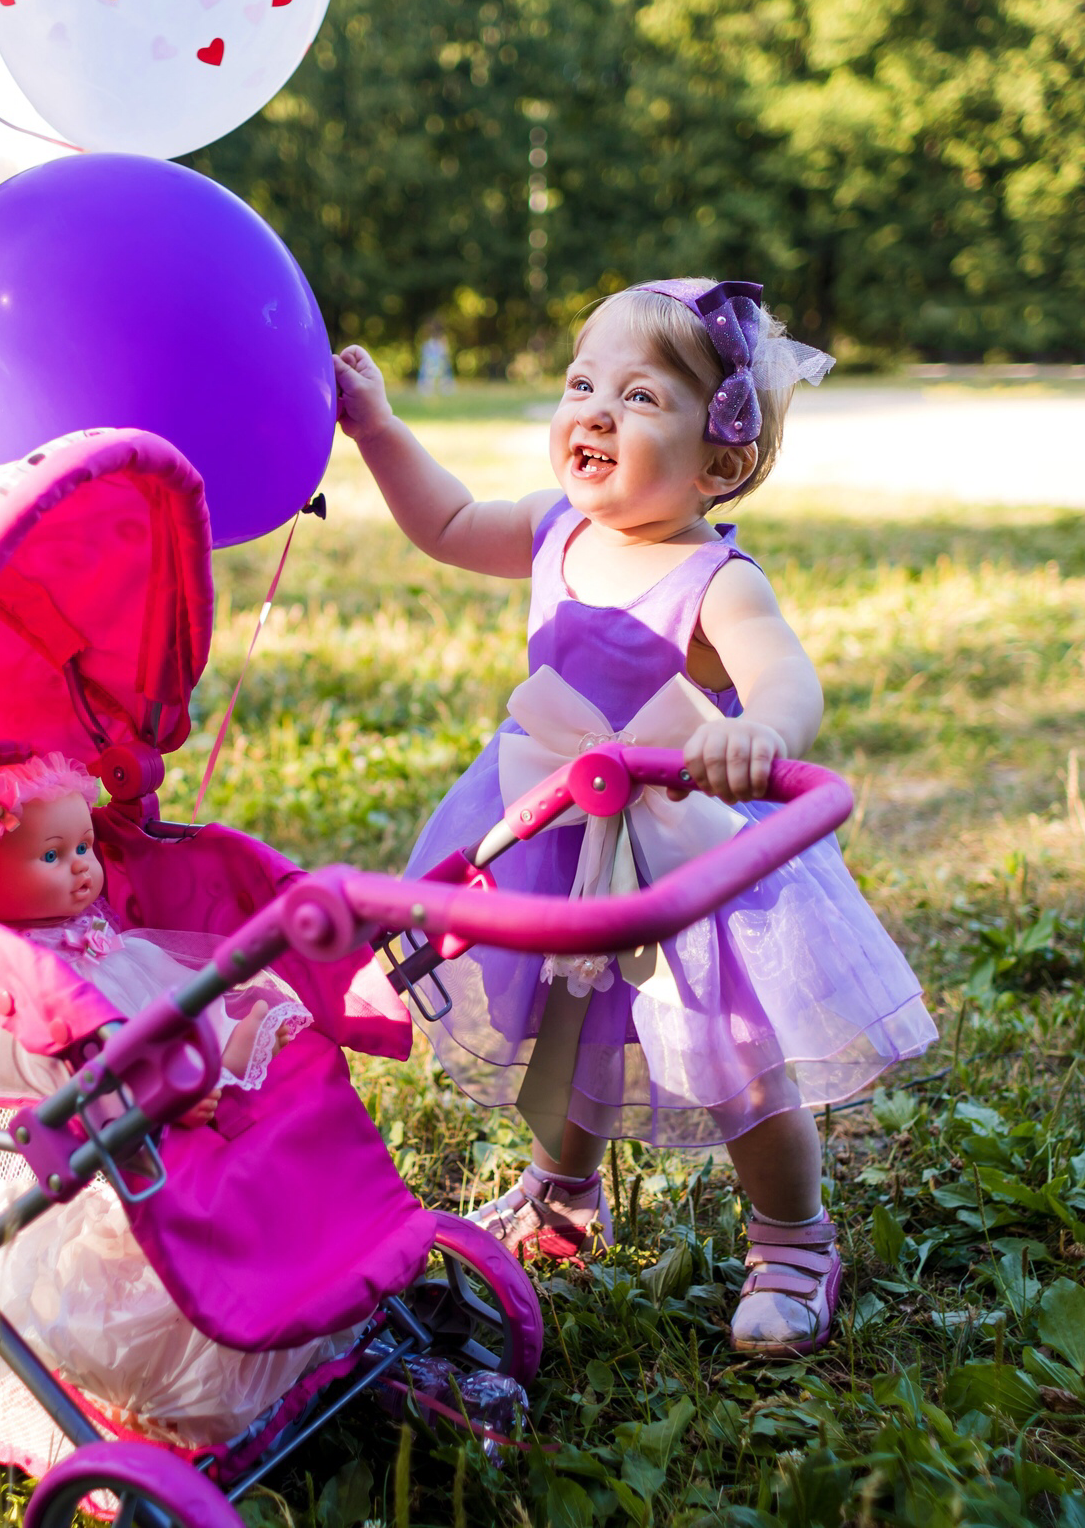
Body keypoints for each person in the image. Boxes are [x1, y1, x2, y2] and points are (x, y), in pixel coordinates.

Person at [332, 280, 936, 1358]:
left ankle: (792, 1238)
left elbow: (785, 676)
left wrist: (760, 733)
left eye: (641, 397)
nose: (596, 413)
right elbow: (447, 522)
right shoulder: (551, 527)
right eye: (582, 385)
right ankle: (562, 1194)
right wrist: (376, 428)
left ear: (719, 464)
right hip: (559, 824)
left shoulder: (715, 577)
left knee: (732, 1048)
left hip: (677, 840)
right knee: (566, 1020)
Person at [0, 754, 331, 1445]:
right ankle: (181, 1090)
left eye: (85, 847)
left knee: (193, 1010)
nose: (82, 867)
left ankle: (218, 1064)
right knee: (116, 1202)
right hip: (91, 1091)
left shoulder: (97, 932)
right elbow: (51, 1071)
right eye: (52, 855)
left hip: (125, 1015)